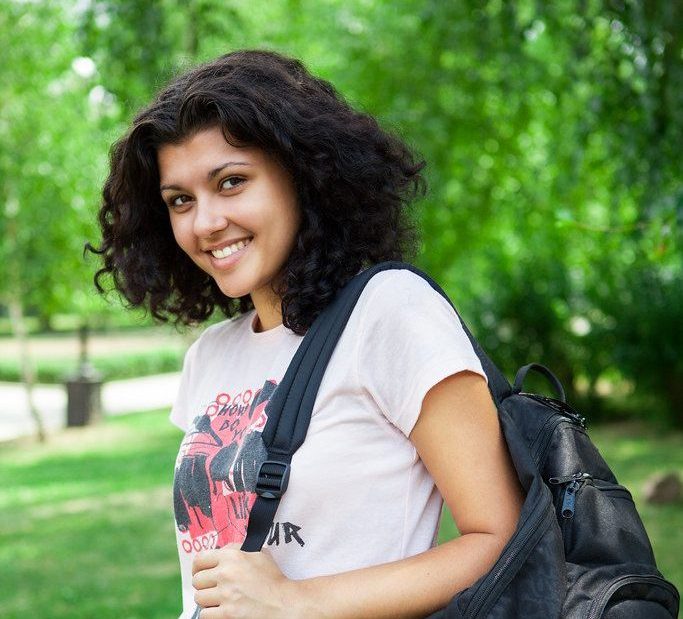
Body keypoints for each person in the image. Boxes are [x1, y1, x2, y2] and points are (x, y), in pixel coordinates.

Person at [89, 49, 524, 619]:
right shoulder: (211, 356)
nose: (205, 222)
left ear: (304, 176)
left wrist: (296, 602)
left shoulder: (390, 314)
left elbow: (499, 539)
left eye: (232, 182)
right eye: (180, 200)